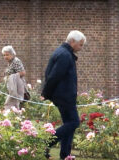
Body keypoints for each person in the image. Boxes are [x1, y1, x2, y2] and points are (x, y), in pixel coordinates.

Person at [41, 30, 86, 160]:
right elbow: (54, 76)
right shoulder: (65, 55)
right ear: (72, 42)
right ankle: (47, 142)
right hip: (64, 96)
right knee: (74, 122)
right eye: (80, 44)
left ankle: (65, 155)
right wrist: (46, 93)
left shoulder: (63, 52)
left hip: (64, 95)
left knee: (69, 124)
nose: (81, 48)